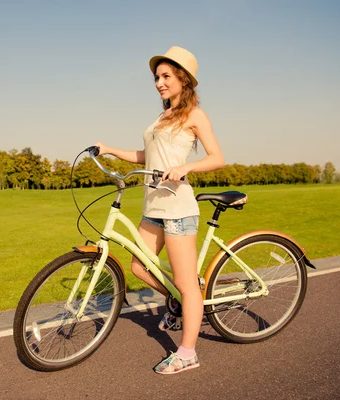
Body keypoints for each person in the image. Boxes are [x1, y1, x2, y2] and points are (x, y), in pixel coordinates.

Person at [95, 46, 225, 375]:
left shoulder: (195, 115)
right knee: (139, 267)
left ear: (183, 79)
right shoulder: (162, 117)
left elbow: (217, 157)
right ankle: (183, 303)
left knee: (186, 284)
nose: (159, 82)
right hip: (153, 205)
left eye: (166, 76)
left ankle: (188, 352)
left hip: (178, 207)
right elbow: (146, 156)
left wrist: (186, 168)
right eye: (157, 77)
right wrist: (110, 150)